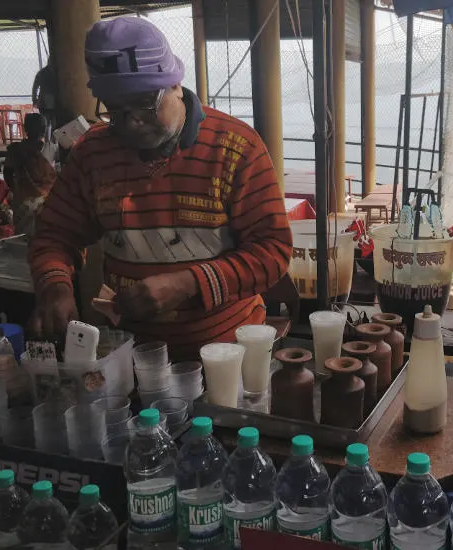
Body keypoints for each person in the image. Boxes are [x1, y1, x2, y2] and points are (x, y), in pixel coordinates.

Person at [28, 17, 292, 360]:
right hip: (133, 356)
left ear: (176, 86)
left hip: (230, 355)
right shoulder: (92, 155)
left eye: (144, 103)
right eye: (115, 110)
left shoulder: (236, 147)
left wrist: (187, 284)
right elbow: (54, 235)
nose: (132, 121)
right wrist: (55, 287)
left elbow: (273, 252)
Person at [4, 113, 57, 235]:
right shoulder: (16, 150)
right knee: (27, 236)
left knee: (40, 235)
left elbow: (8, 174)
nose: (43, 129)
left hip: (45, 200)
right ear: (27, 128)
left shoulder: (51, 148)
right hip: (26, 201)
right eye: (40, 126)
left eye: (43, 126)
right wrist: (19, 192)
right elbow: (8, 174)